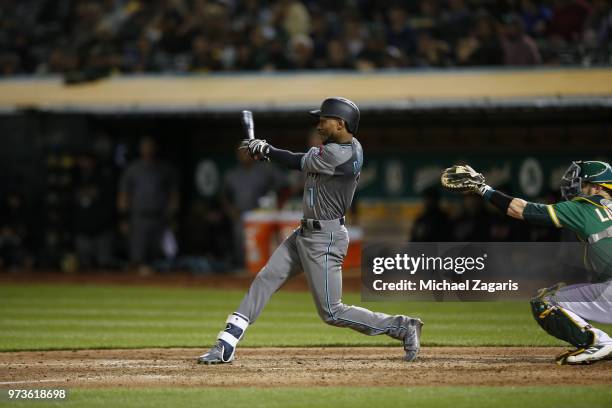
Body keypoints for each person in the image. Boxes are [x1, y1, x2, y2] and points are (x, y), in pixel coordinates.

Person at [198, 97, 423, 364]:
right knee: (265, 279)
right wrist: (265, 151)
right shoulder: (332, 148)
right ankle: (226, 343)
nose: (319, 125)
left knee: (332, 312)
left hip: (325, 240)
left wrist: (266, 150)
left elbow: (296, 161)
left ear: (340, 124)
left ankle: (401, 326)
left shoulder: (343, 153)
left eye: (324, 120)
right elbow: (296, 159)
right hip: (304, 233)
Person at [441, 161, 612, 365]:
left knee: (545, 301)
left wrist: (482, 188)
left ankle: (598, 342)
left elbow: (520, 209)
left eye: (582, 184)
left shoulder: (585, 208)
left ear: (597, 187)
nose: (577, 189)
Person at [118, 137, 180, 271]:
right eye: (145, 147)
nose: (148, 150)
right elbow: (124, 195)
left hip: (160, 217)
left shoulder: (164, 169)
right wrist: (123, 218)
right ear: (140, 149)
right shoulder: (133, 169)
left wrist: (172, 216)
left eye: (150, 146)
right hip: (139, 217)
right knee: (138, 257)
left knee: (160, 258)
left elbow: (173, 195)